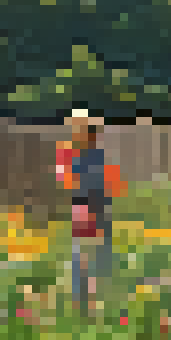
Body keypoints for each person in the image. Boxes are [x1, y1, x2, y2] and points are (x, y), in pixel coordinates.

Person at [56, 111, 122, 314]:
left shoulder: (98, 154)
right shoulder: (69, 153)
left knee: (101, 255)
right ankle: (83, 303)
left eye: (87, 129)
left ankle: (100, 301)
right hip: (84, 205)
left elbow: (113, 183)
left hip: (100, 205)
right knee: (83, 255)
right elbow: (65, 181)